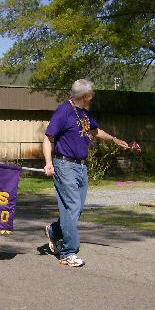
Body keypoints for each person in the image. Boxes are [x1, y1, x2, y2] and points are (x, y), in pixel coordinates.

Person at [43, 79, 140, 267]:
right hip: (64, 165)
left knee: (76, 209)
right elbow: (48, 138)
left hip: (81, 166)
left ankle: (55, 231)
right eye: (91, 94)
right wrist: (48, 163)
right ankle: (68, 252)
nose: (93, 96)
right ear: (85, 96)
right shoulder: (64, 112)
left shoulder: (84, 113)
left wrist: (115, 139)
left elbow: (95, 131)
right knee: (72, 207)